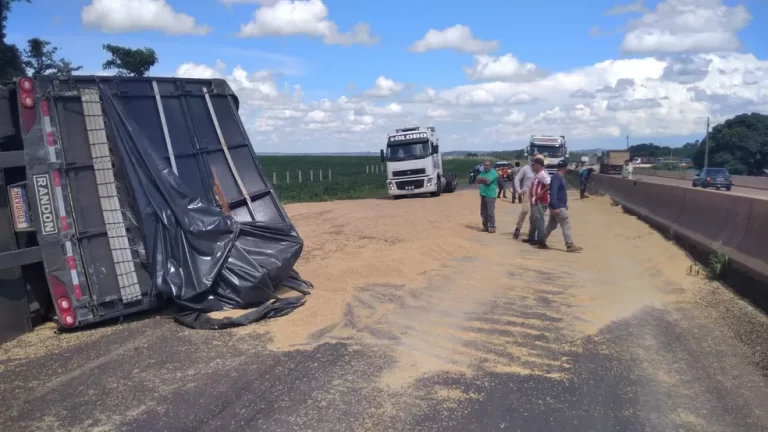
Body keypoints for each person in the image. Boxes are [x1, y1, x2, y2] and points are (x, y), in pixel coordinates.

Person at [538, 160, 583, 252]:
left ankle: (541, 241)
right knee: (565, 225)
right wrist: (555, 207)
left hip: (558, 205)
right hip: (557, 206)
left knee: (552, 226)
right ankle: (569, 245)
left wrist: (564, 205)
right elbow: (553, 192)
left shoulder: (557, 177)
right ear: (566, 168)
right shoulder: (557, 178)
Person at [512, 156, 540, 239]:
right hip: (527, 192)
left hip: (537, 193)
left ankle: (532, 232)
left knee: (535, 214)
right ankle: (518, 227)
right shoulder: (525, 169)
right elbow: (516, 179)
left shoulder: (541, 170)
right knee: (525, 210)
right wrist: (519, 191)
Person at [525, 158, 550, 245]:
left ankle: (540, 240)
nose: (532, 166)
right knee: (533, 219)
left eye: (534, 165)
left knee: (539, 220)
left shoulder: (542, 174)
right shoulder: (537, 174)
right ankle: (531, 237)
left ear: (538, 165)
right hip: (534, 201)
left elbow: (549, 185)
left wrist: (539, 194)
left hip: (540, 201)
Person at [476, 159, 498, 233]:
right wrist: (483, 179)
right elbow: (477, 180)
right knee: (483, 212)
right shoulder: (483, 172)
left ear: (490, 166)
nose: (486, 167)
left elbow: (488, 182)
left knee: (490, 212)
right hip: (483, 194)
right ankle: (485, 226)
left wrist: (482, 180)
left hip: (490, 195)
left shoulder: (493, 172)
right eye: (484, 165)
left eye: (487, 165)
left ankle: (492, 226)